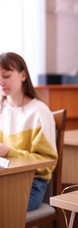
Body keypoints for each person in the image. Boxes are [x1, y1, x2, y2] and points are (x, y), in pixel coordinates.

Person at [0, 52, 58, 211]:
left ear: (23, 75)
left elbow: (48, 162)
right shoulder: (2, 109)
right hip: (5, 178)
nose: (1, 82)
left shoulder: (39, 112)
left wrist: (9, 152)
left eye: (6, 75)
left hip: (32, 184)